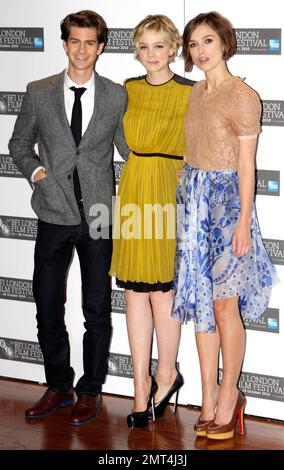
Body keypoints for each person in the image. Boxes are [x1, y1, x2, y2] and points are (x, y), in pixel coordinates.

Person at [9, 10, 129, 426]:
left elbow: (130, 151)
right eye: (74, 41)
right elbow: (19, 144)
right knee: (46, 305)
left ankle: (90, 390)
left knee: (96, 308)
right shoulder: (38, 91)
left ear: (100, 46)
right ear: (64, 44)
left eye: (89, 42)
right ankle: (59, 385)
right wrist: (38, 174)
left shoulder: (116, 95)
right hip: (53, 211)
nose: (81, 49)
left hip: (98, 213)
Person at [172, 11, 278, 440]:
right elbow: (194, 145)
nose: (199, 51)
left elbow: (247, 167)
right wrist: (186, 173)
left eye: (207, 41)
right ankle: (208, 394)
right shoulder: (196, 93)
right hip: (195, 205)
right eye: (193, 44)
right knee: (201, 304)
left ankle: (230, 394)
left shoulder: (243, 96)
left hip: (229, 206)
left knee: (223, 305)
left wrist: (241, 223)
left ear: (224, 43)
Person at [109, 15, 195, 428]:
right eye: (143, 47)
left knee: (163, 291)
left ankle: (166, 375)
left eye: (158, 46)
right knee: (132, 292)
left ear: (173, 48)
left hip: (168, 188)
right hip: (134, 186)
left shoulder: (190, 92)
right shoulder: (128, 89)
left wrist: (187, 168)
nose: (150, 55)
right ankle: (139, 388)